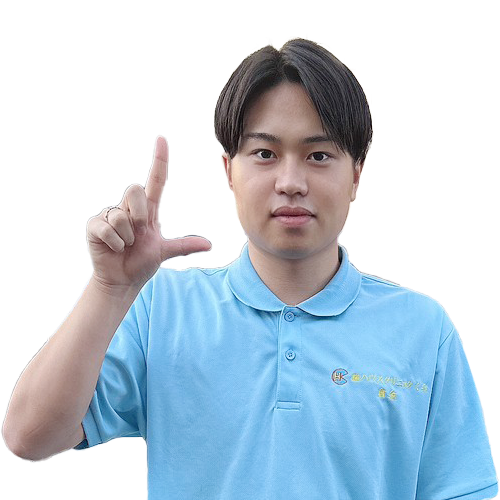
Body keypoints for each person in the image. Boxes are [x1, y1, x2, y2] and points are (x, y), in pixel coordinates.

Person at [3, 37, 499, 500]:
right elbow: (29, 436)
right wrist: (110, 288)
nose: (291, 181)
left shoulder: (420, 329)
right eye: (264, 153)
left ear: (355, 175)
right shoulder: (165, 310)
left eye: (319, 154)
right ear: (229, 173)